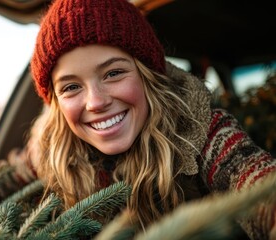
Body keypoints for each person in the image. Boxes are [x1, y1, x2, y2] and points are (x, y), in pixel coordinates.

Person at [24, 0, 276, 238]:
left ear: (147, 76)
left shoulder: (201, 133)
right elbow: (6, 176)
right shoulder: (51, 150)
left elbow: (255, 183)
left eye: (113, 73)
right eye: (71, 87)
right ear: (56, 102)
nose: (96, 102)